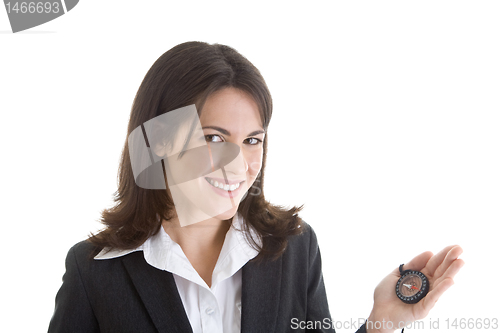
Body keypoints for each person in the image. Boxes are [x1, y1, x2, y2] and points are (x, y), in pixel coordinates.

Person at [48, 41, 464, 333]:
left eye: (252, 140)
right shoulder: (95, 270)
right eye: (213, 138)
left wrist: (382, 323)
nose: (238, 165)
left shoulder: (295, 250)